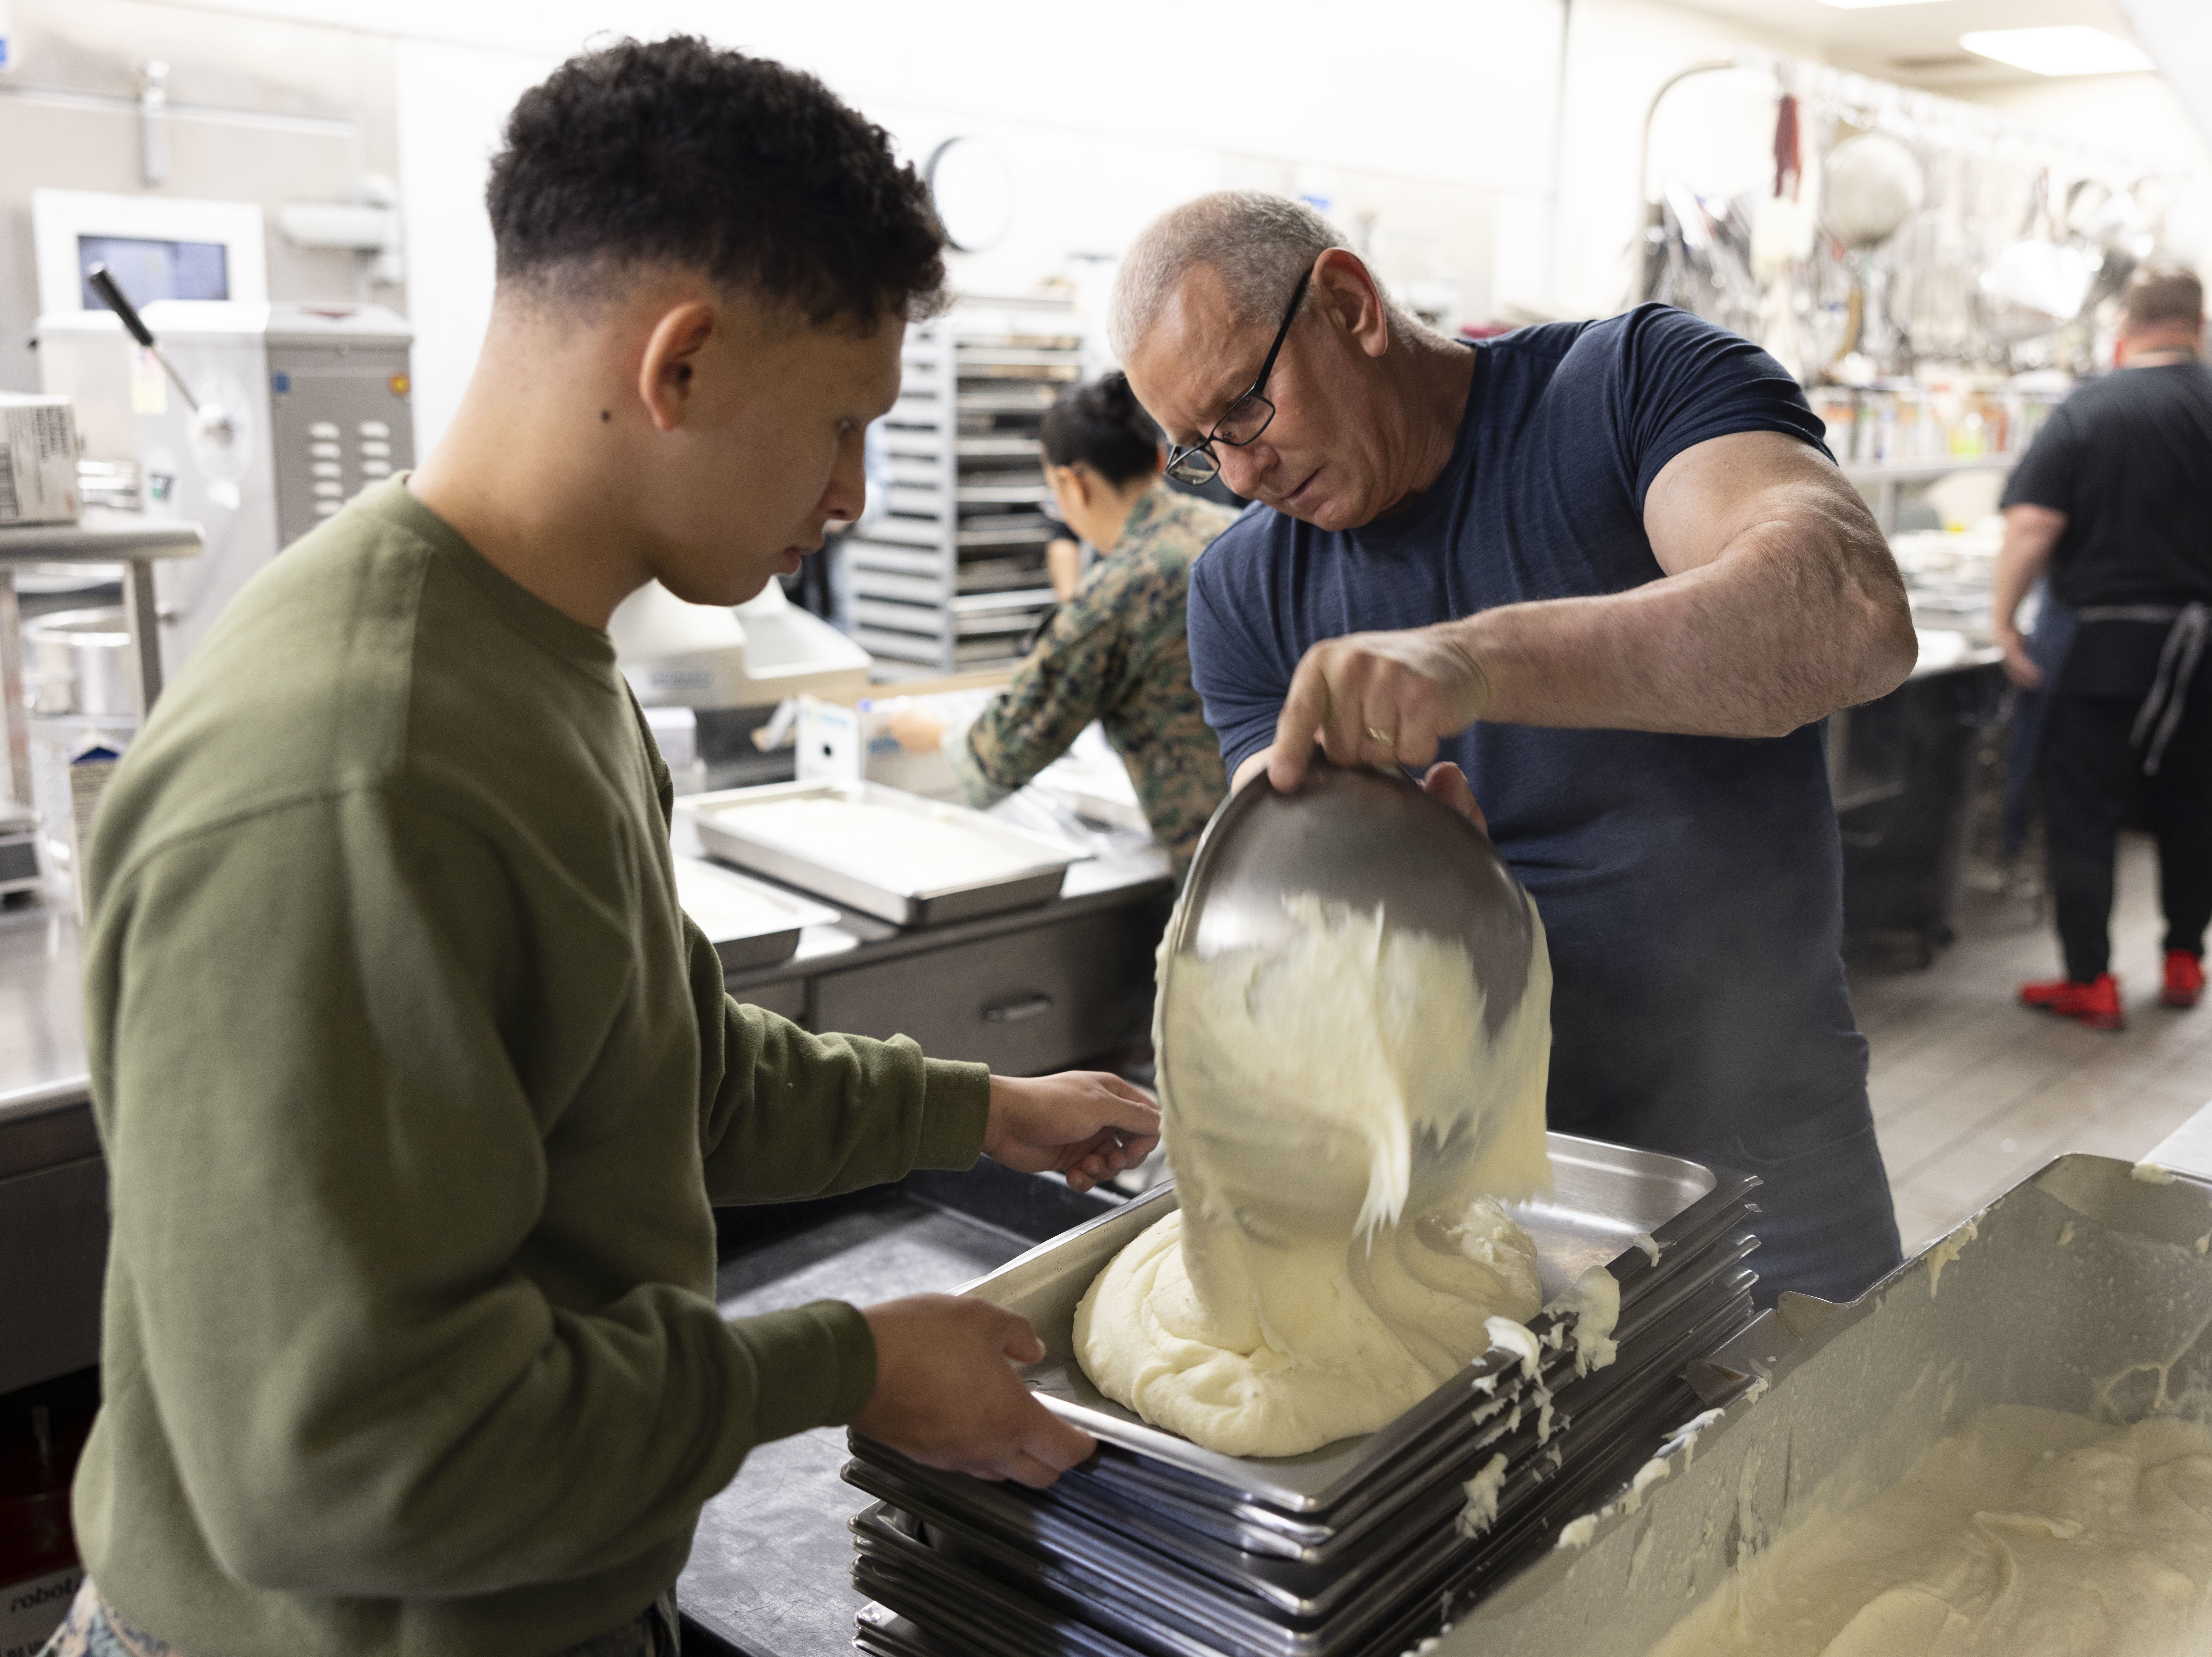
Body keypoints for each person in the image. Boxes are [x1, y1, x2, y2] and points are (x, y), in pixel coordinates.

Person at [51, 39, 1162, 1657]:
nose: (851, 493)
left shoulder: (545, 655)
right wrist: (842, 1365)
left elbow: (658, 1071)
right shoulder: (360, 770)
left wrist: (980, 1109)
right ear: (683, 365)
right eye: (842, 424)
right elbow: (348, 1459)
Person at [1114, 192, 1918, 1309]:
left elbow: (1848, 618)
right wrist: (1411, 890)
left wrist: (1480, 663)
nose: (1241, 474)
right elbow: (1298, 888)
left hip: (1763, 1152)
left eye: (1244, 409)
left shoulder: (1627, 390)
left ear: (1347, 305)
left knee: (1830, 1464)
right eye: (1199, 450)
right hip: (1461, 1192)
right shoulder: (1246, 590)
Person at [893, 373, 1238, 877]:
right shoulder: (1231, 534)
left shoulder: (1113, 596)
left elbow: (1003, 754)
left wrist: (930, 732)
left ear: (1070, 484)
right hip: (1303, 827)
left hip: (1222, 863)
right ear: (1161, 461)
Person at [1993, 262, 2212, 1031]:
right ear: (2199, 323)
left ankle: (2090, 977)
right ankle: (2185, 957)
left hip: (2100, 649)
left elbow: (2032, 527)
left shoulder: (2091, 407)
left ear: (2125, 326)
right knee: (2195, 801)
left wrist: (2001, 618)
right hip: (2201, 652)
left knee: (2083, 808)